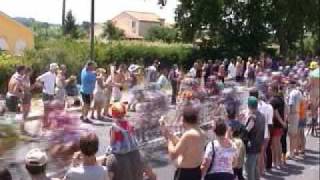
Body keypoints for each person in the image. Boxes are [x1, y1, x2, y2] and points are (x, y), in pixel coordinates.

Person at [105, 102, 156, 180]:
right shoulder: (129, 124)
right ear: (125, 113)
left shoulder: (114, 127)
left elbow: (112, 141)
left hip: (119, 149)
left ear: (113, 115)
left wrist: (109, 150)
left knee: (109, 154)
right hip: (132, 147)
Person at [161, 105, 206, 180]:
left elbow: (173, 155)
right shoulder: (201, 132)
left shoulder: (188, 135)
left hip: (185, 173)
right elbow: (184, 145)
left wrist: (169, 141)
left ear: (184, 119)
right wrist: (170, 135)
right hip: (196, 172)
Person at [249, 89, 273, 174]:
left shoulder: (252, 108)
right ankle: (261, 172)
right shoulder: (268, 106)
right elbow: (270, 123)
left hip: (256, 135)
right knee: (261, 154)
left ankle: (258, 173)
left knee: (256, 156)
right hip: (266, 133)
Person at [245, 96, 265, 180]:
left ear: (249, 106)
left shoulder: (252, 118)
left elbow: (246, 131)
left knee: (250, 169)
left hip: (251, 146)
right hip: (259, 143)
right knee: (255, 167)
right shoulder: (262, 115)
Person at [36, 63, 58, 129]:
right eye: (56, 68)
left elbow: (53, 84)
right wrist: (43, 86)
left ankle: (48, 123)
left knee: (51, 109)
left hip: (51, 94)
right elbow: (37, 79)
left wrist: (54, 91)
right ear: (52, 68)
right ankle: (44, 124)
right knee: (46, 110)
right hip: (46, 94)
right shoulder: (47, 74)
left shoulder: (54, 74)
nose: (56, 69)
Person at [269, 85, 286, 168]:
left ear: (273, 90)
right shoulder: (281, 99)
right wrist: (284, 122)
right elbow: (285, 111)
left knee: (274, 145)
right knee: (278, 144)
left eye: (270, 89)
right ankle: (279, 162)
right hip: (280, 125)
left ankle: (275, 162)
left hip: (275, 124)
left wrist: (282, 122)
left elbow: (275, 113)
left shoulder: (272, 101)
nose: (268, 91)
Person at [287, 79, 302, 158]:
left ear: (291, 85)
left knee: (291, 134)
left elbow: (291, 105)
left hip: (293, 114)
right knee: (295, 134)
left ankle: (291, 152)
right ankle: (295, 150)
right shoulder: (299, 92)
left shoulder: (292, 93)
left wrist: (288, 116)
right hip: (297, 113)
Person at [20, 67, 33, 135]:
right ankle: (22, 129)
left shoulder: (27, 78)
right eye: (30, 72)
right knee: (25, 113)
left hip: (28, 96)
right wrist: (35, 85)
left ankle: (23, 128)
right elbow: (27, 89)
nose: (31, 73)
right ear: (27, 72)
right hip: (25, 96)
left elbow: (28, 89)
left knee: (27, 113)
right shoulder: (23, 78)